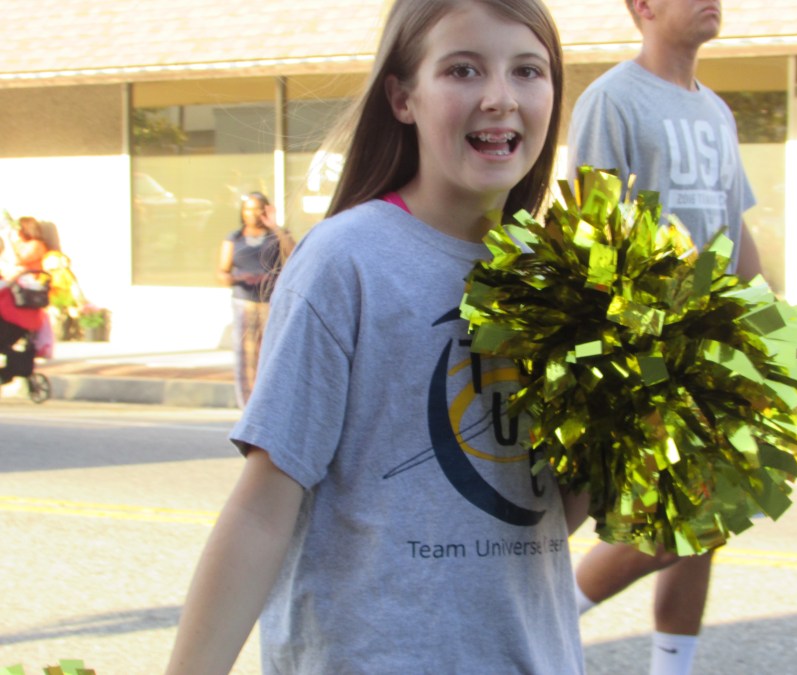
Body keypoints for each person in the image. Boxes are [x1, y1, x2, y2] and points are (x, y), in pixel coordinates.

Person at [166, 1, 585, 673]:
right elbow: (263, 509)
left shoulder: (563, 279)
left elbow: (542, 516)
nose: (500, 98)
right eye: (463, 70)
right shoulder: (347, 261)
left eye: (528, 70)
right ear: (402, 98)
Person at [566, 1, 762, 674]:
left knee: (708, 525)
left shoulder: (717, 110)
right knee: (682, 519)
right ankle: (545, 617)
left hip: (716, 342)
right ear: (643, 7)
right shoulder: (612, 100)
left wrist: (772, 329)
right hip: (650, 345)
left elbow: (736, 228)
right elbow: (595, 229)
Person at [217, 192, 294, 408]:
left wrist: (275, 226)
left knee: (272, 351)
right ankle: (248, 404)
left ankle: (271, 401)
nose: (252, 213)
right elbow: (222, 272)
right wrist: (240, 278)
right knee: (246, 354)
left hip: (272, 302)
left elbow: (294, 253)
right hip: (245, 302)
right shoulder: (235, 238)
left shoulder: (276, 235)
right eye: (248, 209)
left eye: (258, 208)